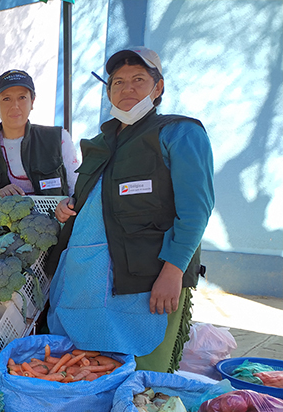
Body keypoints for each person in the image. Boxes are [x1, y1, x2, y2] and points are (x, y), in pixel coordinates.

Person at [47, 47, 215, 373]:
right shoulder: (101, 141)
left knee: (140, 378)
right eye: (118, 81)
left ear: (158, 88)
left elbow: (197, 209)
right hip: (84, 283)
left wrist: (173, 270)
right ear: (109, 91)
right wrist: (69, 206)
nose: (127, 88)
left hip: (143, 285)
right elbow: (97, 199)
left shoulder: (179, 133)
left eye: (139, 79)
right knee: (84, 372)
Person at [0, 70, 79, 197]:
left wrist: (68, 208)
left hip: (55, 217)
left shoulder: (59, 138)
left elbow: (78, 190)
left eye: (22, 97)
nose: (15, 106)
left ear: (32, 102)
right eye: (6, 99)